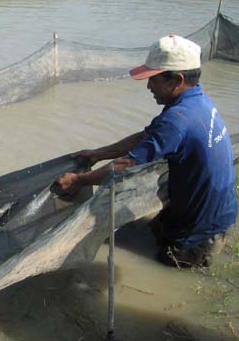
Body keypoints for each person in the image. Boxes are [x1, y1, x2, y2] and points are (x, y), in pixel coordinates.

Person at [56, 34, 237, 268]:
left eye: (154, 79)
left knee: (167, 267)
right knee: (150, 232)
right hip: (214, 211)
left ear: (177, 80)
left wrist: (81, 180)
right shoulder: (195, 103)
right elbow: (145, 137)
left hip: (200, 231)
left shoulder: (177, 121)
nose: (149, 86)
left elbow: (126, 165)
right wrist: (97, 154)